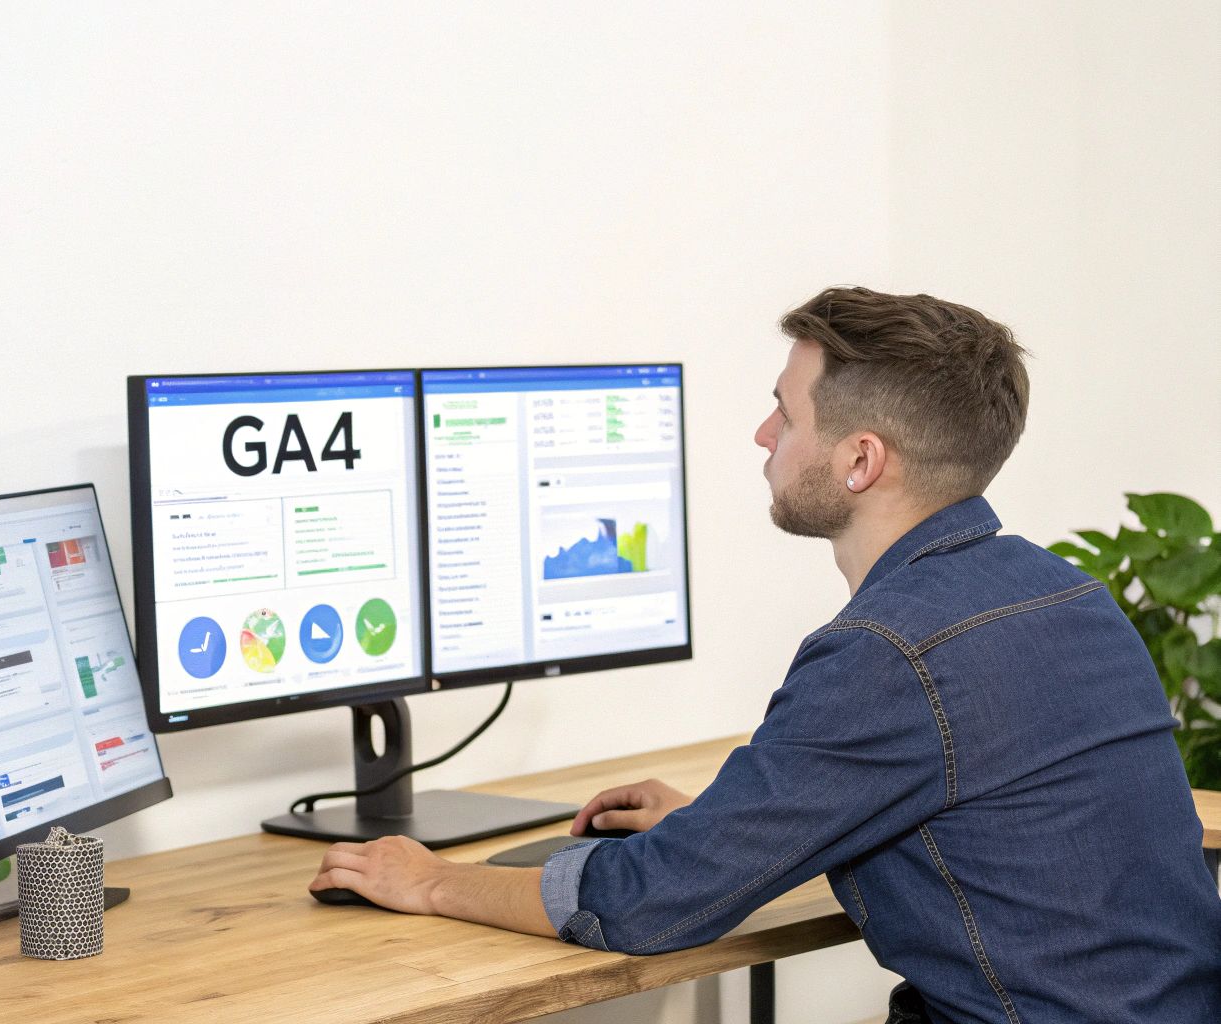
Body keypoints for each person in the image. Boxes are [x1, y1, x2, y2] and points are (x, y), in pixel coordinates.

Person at [309, 287, 1221, 1023]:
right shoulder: (1067, 594)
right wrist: (724, 826)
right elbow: (991, 831)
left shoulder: (884, 654)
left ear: (860, 461)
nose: (761, 435)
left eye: (783, 413)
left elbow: (650, 907)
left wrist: (432, 882)